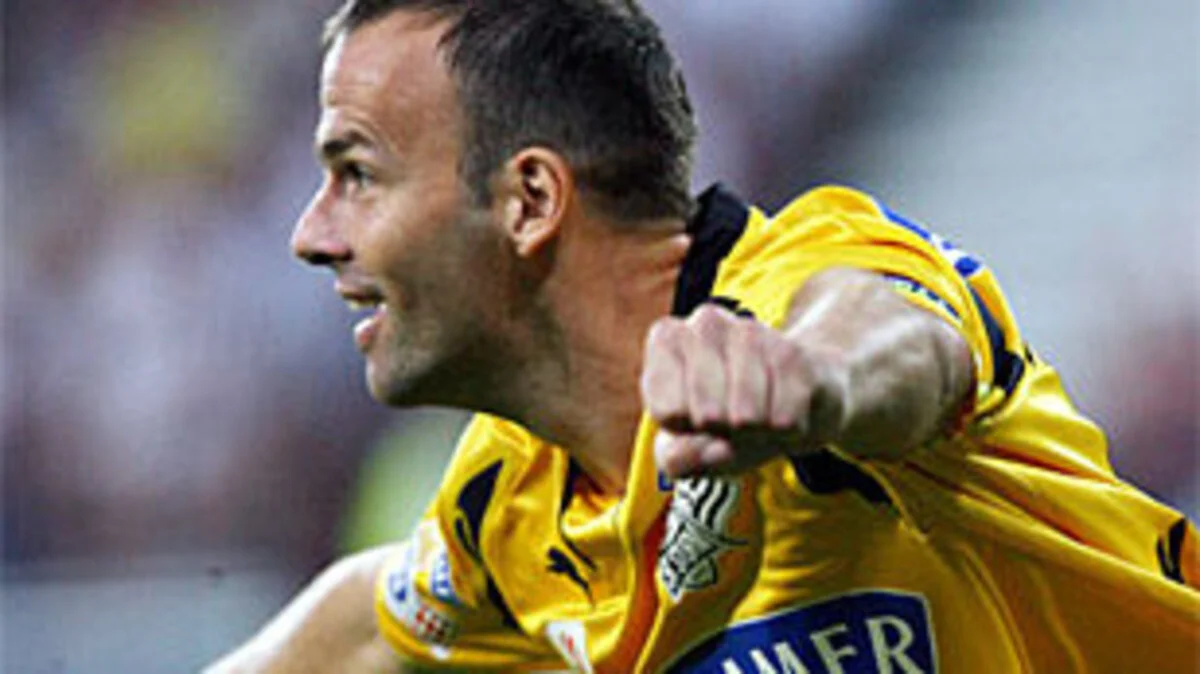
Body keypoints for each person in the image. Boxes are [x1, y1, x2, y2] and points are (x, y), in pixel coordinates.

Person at [208, 1, 1200, 671]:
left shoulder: (804, 275)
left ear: (531, 199)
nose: (311, 234)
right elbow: (368, 622)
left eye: (357, 174)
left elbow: (900, 342)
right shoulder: (508, 498)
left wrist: (807, 381)